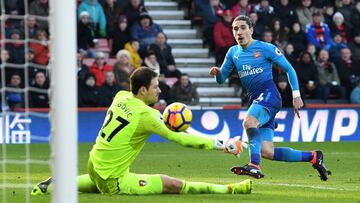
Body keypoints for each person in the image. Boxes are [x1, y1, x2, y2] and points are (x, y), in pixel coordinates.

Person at [31, 67, 252, 196]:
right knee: (171, 184)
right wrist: (223, 144)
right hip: (112, 180)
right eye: (156, 86)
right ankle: (230, 189)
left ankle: (53, 184)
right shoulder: (147, 116)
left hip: (94, 165)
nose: (160, 89)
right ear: (144, 90)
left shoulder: (121, 96)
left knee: (97, 179)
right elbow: (182, 139)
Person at [209, 15, 330, 181]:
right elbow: (221, 79)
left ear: (251, 30)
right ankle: (314, 157)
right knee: (267, 151)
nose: (239, 32)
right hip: (256, 99)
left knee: (249, 122)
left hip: (269, 95)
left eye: (243, 27)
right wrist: (217, 73)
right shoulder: (233, 53)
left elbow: (289, 69)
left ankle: (254, 165)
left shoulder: (265, 48)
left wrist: (296, 95)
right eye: (235, 29)